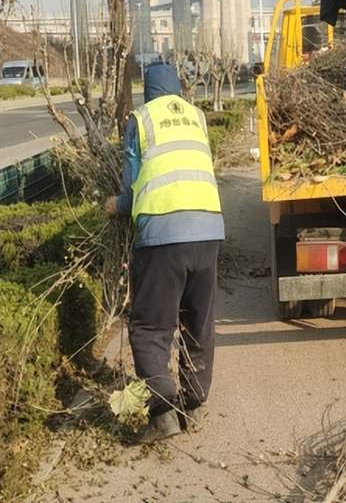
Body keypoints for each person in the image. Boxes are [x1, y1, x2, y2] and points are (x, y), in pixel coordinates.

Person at [105, 62, 224, 443]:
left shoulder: (141, 120)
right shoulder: (198, 117)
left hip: (162, 234)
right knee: (197, 322)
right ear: (179, 89)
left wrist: (116, 206)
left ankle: (162, 413)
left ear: (148, 92)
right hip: (208, 230)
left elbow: (132, 184)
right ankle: (193, 404)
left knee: (150, 327)